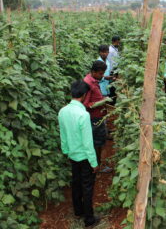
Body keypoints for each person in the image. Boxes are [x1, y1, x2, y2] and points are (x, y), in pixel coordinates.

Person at [58, 80, 100, 227]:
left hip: (72, 155)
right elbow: (88, 143)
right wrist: (94, 163)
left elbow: (63, 135)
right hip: (84, 157)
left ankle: (78, 211)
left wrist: (66, 151)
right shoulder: (83, 114)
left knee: (76, 183)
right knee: (87, 186)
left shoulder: (62, 111)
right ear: (83, 95)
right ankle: (89, 218)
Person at [83, 61, 111, 170]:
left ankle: (97, 164)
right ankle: (97, 165)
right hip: (94, 118)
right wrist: (100, 103)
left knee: (99, 142)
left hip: (98, 116)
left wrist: (102, 100)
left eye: (103, 73)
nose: (102, 76)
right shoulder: (88, 84)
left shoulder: (93, 80)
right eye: (100, 73)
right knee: (97, 142)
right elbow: (86, 104)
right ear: (93, 72)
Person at [107, 36, 121, 105]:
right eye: (117, 42)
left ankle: (112, 102)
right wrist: (113, 73)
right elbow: (110, 62)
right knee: (112, 88)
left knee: (114, 87)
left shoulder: (115, 49)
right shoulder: (110, 50)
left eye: (119, 42)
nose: (118, 44)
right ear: (113, 42)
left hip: (114, 71)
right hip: (111, 71)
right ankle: (111, 103)